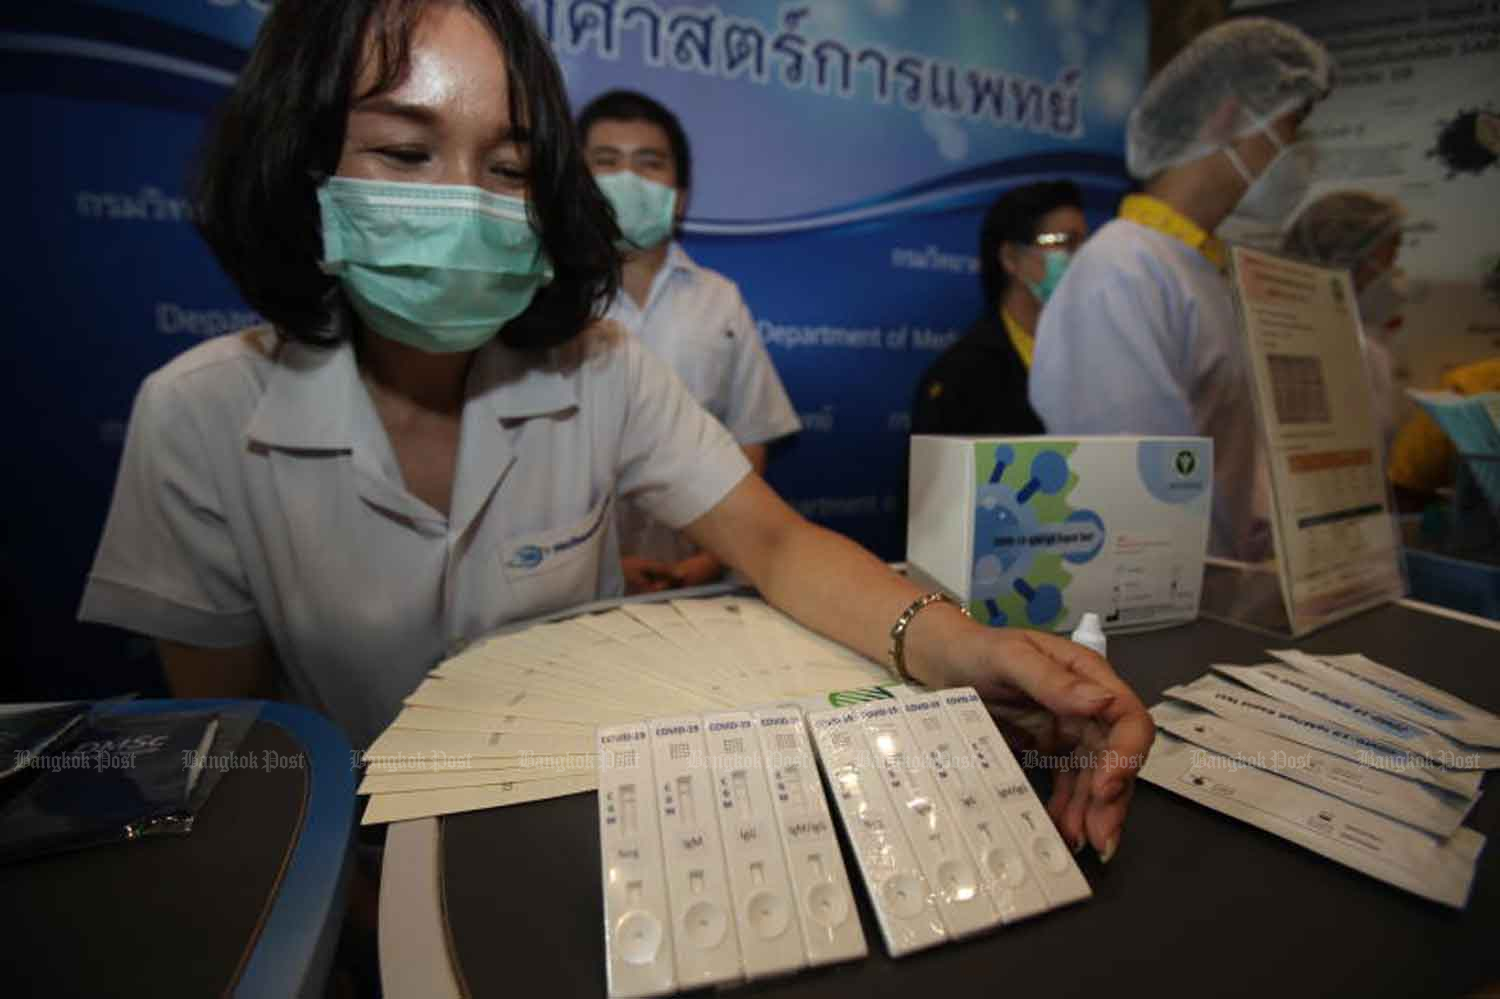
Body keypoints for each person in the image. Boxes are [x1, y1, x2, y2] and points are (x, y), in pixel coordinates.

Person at [78, 0, 1150, 861]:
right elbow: (242, 748)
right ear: (297, 165)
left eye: (504, 169)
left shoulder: (602, 369)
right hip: (353, 858)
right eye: (404, 155)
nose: (464, 202)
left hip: (603, 830)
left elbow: (773, 543)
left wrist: (972, 648)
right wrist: (354, 910)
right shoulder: (199, 414)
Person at [1030, 17, 1334, 560]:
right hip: (1151, 600)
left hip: (1205, 592)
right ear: (1228, 116)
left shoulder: (1197, 267)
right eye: (1290, 128)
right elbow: (1133, 496)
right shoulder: (1121, 268)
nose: (1301, 153)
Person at [577, 89, 800, 594]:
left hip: (696, 581)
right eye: (607, 163)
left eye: (648, 163)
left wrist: (714, 555)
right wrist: (601, 563)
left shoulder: (719, 300)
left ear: (679, 195)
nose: (627, 180)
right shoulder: (545, 304)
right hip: (570, 583)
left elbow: (749, 434)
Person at [910, 181, 1088, 436]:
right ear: (1010, 258)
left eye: (1085, 244)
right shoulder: (963, 375)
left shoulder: (1093, 358)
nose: (1082, 257)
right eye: (1066, 242)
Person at [1282, 190, 1408, 443]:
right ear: (1340, 262)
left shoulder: (1369, 352)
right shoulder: (1282, 347)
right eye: (1386, 262)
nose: (1394, 276)